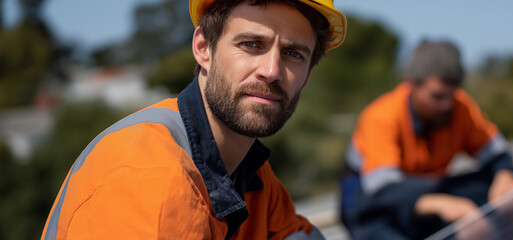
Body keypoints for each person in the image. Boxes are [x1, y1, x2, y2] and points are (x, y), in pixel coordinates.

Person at [41, 0, 346, 239]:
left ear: (306, 77)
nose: (272, 70)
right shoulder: (150, 176)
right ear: (203, 48)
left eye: (294, 54)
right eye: (251, 44)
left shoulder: (252, 176)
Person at [340, 40, 513, 239]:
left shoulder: (460, 107)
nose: (446, 105)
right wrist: (441, 204)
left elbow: (496, 152)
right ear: (412, 85)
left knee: (493, 185)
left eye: (452, 95)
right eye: (437, 96)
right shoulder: (381, 117)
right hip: (372, 203)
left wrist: (505, 176)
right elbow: (383, 189)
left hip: (430, 187)